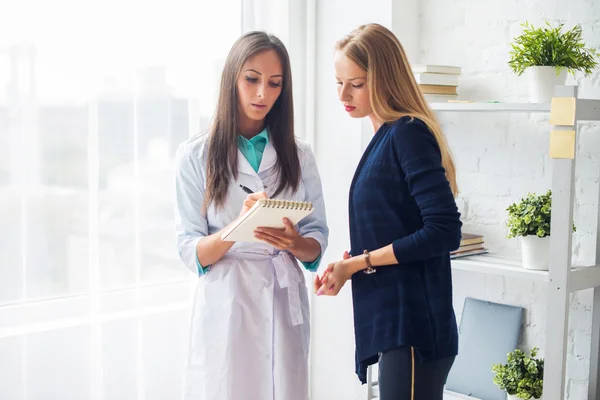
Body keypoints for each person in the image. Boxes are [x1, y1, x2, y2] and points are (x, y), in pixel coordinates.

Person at [174, 31, 328, 400]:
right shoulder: (195, 155)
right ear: (232, 79)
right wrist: (237, 229)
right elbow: (189, 250)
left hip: (282, 292)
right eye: (252, 79)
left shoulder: (300, 155)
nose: (263, 94)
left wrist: (295, 243)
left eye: (274, 84)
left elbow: (317, 243)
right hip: (228, 300)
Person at [315, 23, 462, 399]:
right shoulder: (386, 137)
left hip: (413, 327)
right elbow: (396, 226)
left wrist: (359, 263)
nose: (343, 94)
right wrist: (349, 266)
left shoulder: (407, 133)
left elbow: (444, 230)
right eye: (338, 82)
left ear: (383, 78)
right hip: (399, 325)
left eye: (356, 83)